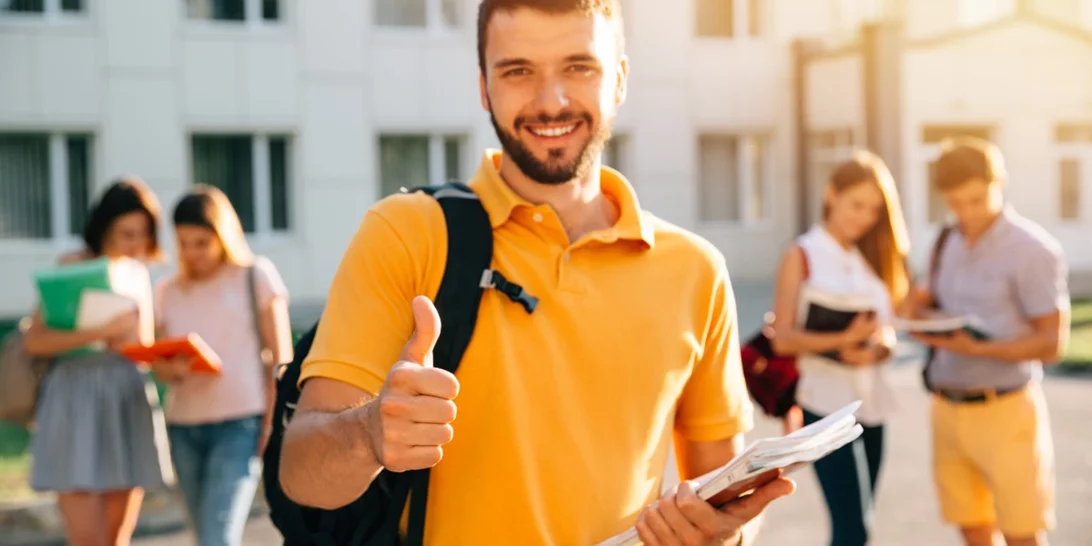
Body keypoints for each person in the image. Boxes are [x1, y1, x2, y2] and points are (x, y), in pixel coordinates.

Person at [278, 1, 795, 544]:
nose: (551, 102)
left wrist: (719, 533)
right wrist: (369, 432)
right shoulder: (406, 234)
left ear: (618, 79)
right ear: (484, 87)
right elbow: (302, 473)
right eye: (518, 70)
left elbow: (726, 490)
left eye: (579, 67)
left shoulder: (697, 272)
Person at [906, 137, 1068, 546]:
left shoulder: (1034, 251)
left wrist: (980, 349)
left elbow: (1052, 344)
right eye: (956, 202)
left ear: (1000, 183)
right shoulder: (946, 242)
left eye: (977, 199)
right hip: (946, 407)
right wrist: (920, 319)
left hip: (1007, 411)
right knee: (972, 529)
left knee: (1021, 534)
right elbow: (922, 304)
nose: (967, 212)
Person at [768, 151, 911, 546]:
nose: (864, 217)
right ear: (832, 195)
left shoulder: (873, 256)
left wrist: (878, 349)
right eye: (856, 204)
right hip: (824, 407)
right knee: (852, 527)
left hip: (874, 406)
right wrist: (843, 341)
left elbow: (888, 328)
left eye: (874, 210)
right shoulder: (801, 254)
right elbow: (783, 338)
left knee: (862, 519)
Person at [24, 177, 175, 546]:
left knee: (116, 538)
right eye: (127, 233)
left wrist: (168, 357)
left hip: (127, 397)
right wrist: (100, 333)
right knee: (88, 539)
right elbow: (35, 341)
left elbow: (142, 346)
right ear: (104, 227)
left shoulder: (140, 274)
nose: (136, 244)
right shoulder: (72, 265)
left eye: (143, 235)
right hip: (75, 398)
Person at [152, 185, 294, 546]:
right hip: (183, 426)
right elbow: (160, 366)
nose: (192, 252)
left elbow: (282, 360)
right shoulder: (169, 290)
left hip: (239, 424)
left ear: (222, 234)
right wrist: (174, 369)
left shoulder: (255, 276)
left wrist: (272, 426)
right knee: (204, 536)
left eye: (201, 242)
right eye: (183, 243)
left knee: (218, 536)